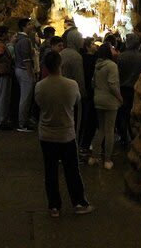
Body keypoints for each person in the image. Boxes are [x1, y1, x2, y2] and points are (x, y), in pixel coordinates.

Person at [34, 51, 94, 217]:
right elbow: (76, 102)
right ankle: (79, 203)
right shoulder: (71, 85)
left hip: (46, 134)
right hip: (66, 134)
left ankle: (54, 206)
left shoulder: (40, 86)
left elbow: (39, 104)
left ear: (46, 66)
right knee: (72, 170)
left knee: (50, 171)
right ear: (61, 65)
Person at [88, 43, 123, 169]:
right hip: (110, 101)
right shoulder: (112, 66)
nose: (114, 50)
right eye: (112, 49)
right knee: (109, 131)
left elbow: (93, 83)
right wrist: (120, 98)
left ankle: (94, 157)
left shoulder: (97, 65)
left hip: (98, 99)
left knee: (101, 129)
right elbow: (112, 84)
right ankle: (107, 160)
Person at [116, 33, 141, 147]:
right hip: (137, 89)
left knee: (123, 114)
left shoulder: (121, 57)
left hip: (123, 89)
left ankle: (124, 138)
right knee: (135, 114)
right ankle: (135, 136)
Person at [15, 18, 36, 132]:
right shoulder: (24, 40)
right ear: (24, 27)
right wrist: (31, 74)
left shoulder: (20, 39)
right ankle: (22, 123)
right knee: (25, 98)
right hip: (24, 70)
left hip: (19, 69)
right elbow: (26, 59)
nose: (31, 26)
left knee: (25, 97)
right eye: (29, 24)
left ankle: (24, 120)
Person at [78, 38, 98, 158]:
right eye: (93, 44)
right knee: (90, 119)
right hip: (90, 92)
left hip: (86, 91)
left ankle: (84, 144)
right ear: (87, 46)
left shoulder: (82, 58)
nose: (95, 46)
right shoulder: (91, 60)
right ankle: (85, 145)